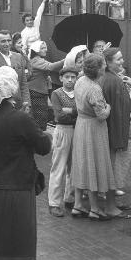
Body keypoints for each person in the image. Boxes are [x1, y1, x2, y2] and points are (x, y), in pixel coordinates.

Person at [0, 66, 52, 260]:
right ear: (13, 89)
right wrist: (40, 130)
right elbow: (43, 147)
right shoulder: (20, 118)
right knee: (18, 243)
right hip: (14, 189)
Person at [70, 54, 117, 220]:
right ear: (97, 69)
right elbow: (102, 115)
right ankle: (95, 208)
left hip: (81, 125)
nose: (105, 66)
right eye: (103, 65)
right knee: (93, 164)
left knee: (81, 163)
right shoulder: (94, 88)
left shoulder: (80, 80)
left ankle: (78, 204)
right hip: (94, 129)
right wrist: (109, 107)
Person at [101, 48, 131, 217]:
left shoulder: (109, 78)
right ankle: (110, 206)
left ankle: (110, 203)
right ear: (108, 62)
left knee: (110, 167)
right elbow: (126, 106)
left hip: (109, 129)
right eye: (118, 59)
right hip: (114, 130)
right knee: (112, 167)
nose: (122, 61)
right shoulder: (114, 81)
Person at [47, 66, 79, 217]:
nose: (70, 80)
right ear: (61, 78)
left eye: (73, 77)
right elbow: (59, 116)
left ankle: (69, 197)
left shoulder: (79, 92)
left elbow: (83, 111)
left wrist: (69, 111)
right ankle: (54, 203)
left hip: (77, 131)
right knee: (58, 167)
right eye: (67, 77)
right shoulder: (56, 93)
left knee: (74, 168)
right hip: (62, 130)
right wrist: (75, 112)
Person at [0, 30, 32, 114]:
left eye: (9, 40)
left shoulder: (18, 57)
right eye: (3, 41)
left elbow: (23, 83)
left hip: (18, 107)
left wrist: (27, 103)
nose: (7, 44)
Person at [27, 40, 65, 129]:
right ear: (36, 50)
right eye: (42, 48)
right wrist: (66, 59)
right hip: (36, 91)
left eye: (45, 48)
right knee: (39, 117)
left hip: (39, 91)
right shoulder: (36, 60)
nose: (45, 50)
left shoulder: (39, 60)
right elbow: (51, 67)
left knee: (41, 116)